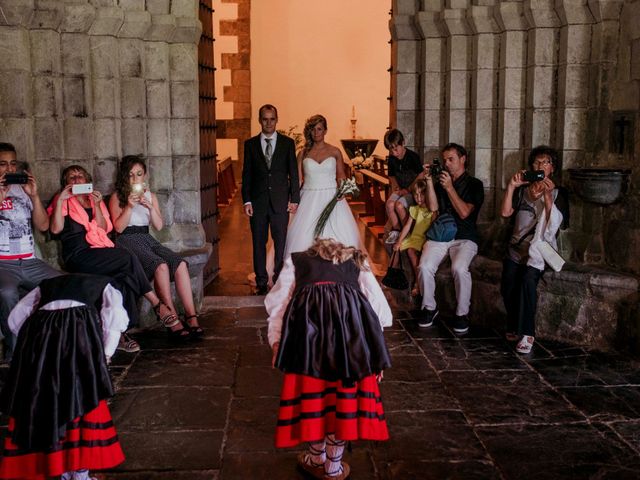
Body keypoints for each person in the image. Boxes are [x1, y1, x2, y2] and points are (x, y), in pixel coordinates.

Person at [265, 239, 392, 480]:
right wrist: (375, 353)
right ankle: (333, 466)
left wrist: (276, 343)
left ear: (312, 251)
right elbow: (378, 311)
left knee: (314, 402)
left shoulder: (296, 262)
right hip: (350, 350)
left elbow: (278, 306)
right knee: (341, 403)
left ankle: (316, 458)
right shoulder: (359, 262)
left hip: (307, 348)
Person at [0, 274, 127, 479]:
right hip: (79, 344)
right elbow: (115, 317)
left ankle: (62, 469)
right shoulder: (106, 285)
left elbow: (15, 318)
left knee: (48, 404)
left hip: (43, 347)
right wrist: (106, 354)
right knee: (83, 399)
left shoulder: (46, 285)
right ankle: (79, 473)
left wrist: (34, 342)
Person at [49, 165, 190, 349]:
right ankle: (157, 304)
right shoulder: (62, 201)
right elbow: (55, 229)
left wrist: (98, 205)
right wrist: (61, 201)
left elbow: (104, 228)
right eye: (71, 177)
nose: (76, 179)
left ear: (87, 181)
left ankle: (121, 334)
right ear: (65, 183)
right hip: (78, 254)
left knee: (124, 279)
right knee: (126, 258)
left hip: (100, 250)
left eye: (80, 176)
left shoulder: (93, 200)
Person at [109, 155, 203, 337]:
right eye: (131, 175)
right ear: (124, 177)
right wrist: (129, 206)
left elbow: (158, 226)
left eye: (139, 174)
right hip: (126, 239)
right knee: (159, 265)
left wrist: (150, 207)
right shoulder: (117, 197)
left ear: (145, 176)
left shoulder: (150, 196)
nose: (135, 179)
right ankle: (172, 318)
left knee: (180, 264)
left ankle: (191, 316)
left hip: (147, 237)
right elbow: (118, 227)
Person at [500, 146, 569, 354]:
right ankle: (513, 325)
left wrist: (547, 196)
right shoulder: (522, 191)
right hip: (515, 250)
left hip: (538, 253)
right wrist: (511, 186)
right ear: (531, 167)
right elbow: (505, 213)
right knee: (507, 286)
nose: (541, 166)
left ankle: (527, 333)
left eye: (545, 162)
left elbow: (558, 224)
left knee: (528, 282)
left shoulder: (559, 193)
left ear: (552, 168)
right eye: (537, 163)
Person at [0, 142, 62, 361]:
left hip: (30, 261)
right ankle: (14, 349)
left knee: (62, 285)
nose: (9, 169)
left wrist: (34, 196)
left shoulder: (23, 189)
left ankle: (55, 343)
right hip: (3, 263)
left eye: (13, 164)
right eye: (3, 164)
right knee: (6, 293)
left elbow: (44, 226)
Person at [417, 143, 484, 334]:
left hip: (465, 236)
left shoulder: (475, 184)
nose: (446, 163)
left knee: (459, 268)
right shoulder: (441, 183)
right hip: (440, 235)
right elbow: (432, 208)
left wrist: (449, 189)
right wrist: (430, 182)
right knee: (424, 266)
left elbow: (464, 213)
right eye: (444, 160)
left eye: (451, 159)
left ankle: (462, 314)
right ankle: (429, 307)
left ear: (463, 159)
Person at [284, 114, 364, 258]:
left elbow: (341, 176)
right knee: (303, 235)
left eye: (319, 129)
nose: (316, 133)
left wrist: (344, 190)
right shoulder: (303, 153)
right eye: (313, 129)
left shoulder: (335, 151)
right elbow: (297, 180)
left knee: (339, 234)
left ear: (325, 131)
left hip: (331, 196)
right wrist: (292, 198)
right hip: (308, 197)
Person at [242, 104, 300, 295]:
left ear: (277, 119)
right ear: (260, 120)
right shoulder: (250, 145)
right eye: (265, 119)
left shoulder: (287, 143)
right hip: (257, 203)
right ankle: (261, 281)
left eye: (272, 118)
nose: (268, 123)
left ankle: (277, 279)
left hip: (280, 202)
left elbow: (293, 173)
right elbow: (247, 175)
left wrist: (295, 199)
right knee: (258, 242)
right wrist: (247, 201)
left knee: (280, 242)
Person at [392, 179, 435, 296]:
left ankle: (418, 282)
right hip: (414, 237)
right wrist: (399, 241)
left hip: (424, 238)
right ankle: (391, 277)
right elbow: (407, 226)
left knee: (411, 251)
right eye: (416, 195)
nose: (419, 198)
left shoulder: (432, 211)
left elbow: (432, 227)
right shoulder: (415, 209)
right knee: (396, 249)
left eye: (422, 194)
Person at [383, 129, 424, 245]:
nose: (394, 153)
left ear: (403, 143)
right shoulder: (391, 159)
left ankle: (408, 232)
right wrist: (396, 189)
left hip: (413, 191)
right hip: (400, 189)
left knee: (399, 205)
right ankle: (396, 230)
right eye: (391, 150)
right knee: (390, 204)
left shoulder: (413, 157)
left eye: (396, 149)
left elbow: (420, 175)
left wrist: (408, 190)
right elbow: (392, 177)